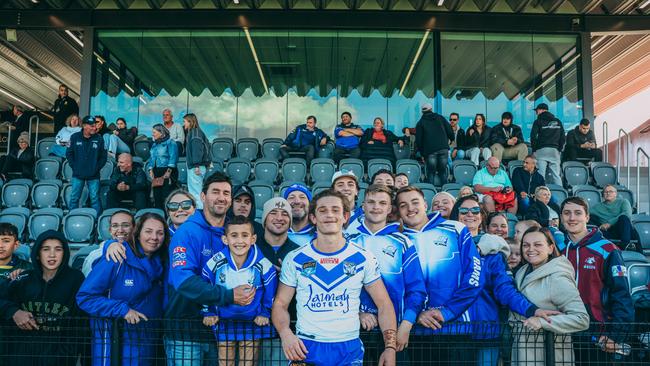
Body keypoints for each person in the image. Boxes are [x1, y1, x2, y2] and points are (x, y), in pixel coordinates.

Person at [271, 190, 397, 366]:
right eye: (322, 210)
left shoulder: (363, 258)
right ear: (313, 218)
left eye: (335, 210)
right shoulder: (295, 259)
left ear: (345, 216)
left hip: (348, 348)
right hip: (306, 348)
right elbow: (280, 304)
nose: (329, 215)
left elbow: (384, 304)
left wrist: (390, 347)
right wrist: (285, 333)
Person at [164, 171, 255, 366]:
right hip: (185, 333)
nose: (221, 197)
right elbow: (184, 281)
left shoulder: (232, 234)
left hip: (220, 333)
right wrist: (229, 296)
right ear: (203, 196)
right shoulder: (187, 232)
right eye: (215, 192)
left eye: (226, 193)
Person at [396, 186, 483, 365]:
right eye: (403, 205)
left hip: (456, 328)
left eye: (415, 202)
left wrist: (449, 311)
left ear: (425, 204)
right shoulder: (397, 240)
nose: (410, 208)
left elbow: (474, 275)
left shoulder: (456, 229)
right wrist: (415, 314)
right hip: (417, 332)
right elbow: (394, 285)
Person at [347, 184, 426, 363]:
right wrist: (357, 313)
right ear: (363, 206)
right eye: (371, 202)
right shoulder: (347, 241)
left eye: (382, 203)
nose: (376, 207)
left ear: (390, 209)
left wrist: (406, 325)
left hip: (394, 333)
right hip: (353, 332)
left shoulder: (403, 242)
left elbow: (417, 289)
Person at [76, 213, 167, 366]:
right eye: (148, 231)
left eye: (160, 233)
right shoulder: (117, 256)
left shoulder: (162, 261)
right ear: (137, 234)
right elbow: (85, 297)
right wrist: (123, 310)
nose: (154, 237)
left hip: (146, 341)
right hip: (114, 341)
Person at [556, 197, 634, 365]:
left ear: (587, 217)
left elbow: (621, 294)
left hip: (598, 336)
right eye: (567, 213)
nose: (572, 218)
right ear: (561, 217)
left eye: (578, 213)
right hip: (564, 334)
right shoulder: (559, 252)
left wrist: (616, 335)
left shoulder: (608, 250)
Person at [470, 233, 559, 366]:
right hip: (451, 331)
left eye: (475, 211)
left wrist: (531, 310)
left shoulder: (493, 254)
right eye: (463, 212)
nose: (469, 215)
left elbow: (505, 290)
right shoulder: (444, 250)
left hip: (486, 330)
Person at [201, 215, 278, 366]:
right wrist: (208, 311)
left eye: (245, 235)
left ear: (253, 239)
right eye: (234, 235)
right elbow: (205, 285)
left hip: (252, 324)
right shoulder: (216, 262)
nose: (240, 241)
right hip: (224, 322)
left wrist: (264, 313)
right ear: (225, 239)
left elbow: (272, 290)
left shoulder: (263, 264)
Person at [0, 230, 85, 366]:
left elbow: (81, 322)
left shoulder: (76, 279)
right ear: (38, 254)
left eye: (58, 249)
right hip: (21, 357)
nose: (52, 255)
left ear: (64, 253)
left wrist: (66, 355)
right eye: (46, 249)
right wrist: (14, 312)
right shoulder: (23, 278)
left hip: (59, 359)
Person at [511, 227, 590, 366]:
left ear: (550, 248)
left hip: (550, 356)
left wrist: (542, 322)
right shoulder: (521, 272)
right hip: (523, 351)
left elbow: (581, 319)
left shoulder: (557, 277)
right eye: (526, 245)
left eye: (537, 244)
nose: (530, 249)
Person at [255, 197, 299, 366]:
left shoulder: (298, 252)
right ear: (264, 219)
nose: (279, 218)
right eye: (273, 213)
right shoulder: (250, 249)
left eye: (284, 214)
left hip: (287, 333)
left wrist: (287, 279)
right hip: (254, 331)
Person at [67, 115, 107, 215]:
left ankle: (96, 221)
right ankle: (72, 218)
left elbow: (103, 157)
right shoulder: (74, 137)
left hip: (93, 175)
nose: (95, 128)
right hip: (78, 174)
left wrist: (96, 168)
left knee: (95, 198)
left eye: (95, 125)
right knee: (74, 198)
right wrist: (75, 167)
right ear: (84, 126)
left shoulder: (99, 139)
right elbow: (69, 153)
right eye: (92, 126)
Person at [82, 209, 135, 277]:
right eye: (115, 226)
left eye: (126, 225)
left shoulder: (142, 252)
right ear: (110, 230)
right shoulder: (95, 256)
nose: (120, 230)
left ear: (134, 229)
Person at [415, 103, 454, 185]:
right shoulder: (440, 118)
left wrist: (422, 153)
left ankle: (431, 194)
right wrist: (452, 138)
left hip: (430, 151)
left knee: (431, 173)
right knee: (443, 172)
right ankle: (445, 192)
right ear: (431, 109)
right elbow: (449, 129)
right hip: (443, 149)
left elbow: (418, 140)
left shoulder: (420, 123)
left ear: (422, 112)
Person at [589, 185, 635, 249]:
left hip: (623, 230)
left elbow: (627, 214)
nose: (608, 193)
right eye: (605, 192)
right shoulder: (597, 206)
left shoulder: (623, 202)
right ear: (603, 195)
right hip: (607, 232)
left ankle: (625, 246)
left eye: (611, 191)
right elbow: (586, 213)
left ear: (615, 194)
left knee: (623, 218)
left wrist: (609, 223)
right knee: (590, 218)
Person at [530, 103, 565, 186]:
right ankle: (560, 195)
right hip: (554, 151)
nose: (536, 113)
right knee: (556, 176)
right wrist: (559, 149)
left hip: (542, 150)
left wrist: (534, 150)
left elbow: (533, 137)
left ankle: (539, 196)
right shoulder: (557, 121)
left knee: (541, 175)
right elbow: (563, 137)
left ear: (542, 110)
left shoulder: (538, 121)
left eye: (537, 111)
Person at [147, 124, 179, 210]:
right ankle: (158, 216)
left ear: (161, 133)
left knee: (166, 196)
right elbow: (151, 158)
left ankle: (167, 218)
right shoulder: (154, 145)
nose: (152, 134)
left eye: (154, 132)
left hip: (167, 171)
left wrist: (168, 172)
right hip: (156, 171)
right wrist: (150, 170)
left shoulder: (171, 142)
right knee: (157, 197)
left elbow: (173, 158)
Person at [183, 113, 212, 209]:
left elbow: (197, 150)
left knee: (195, 193)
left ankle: (199, 214)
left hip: (196, 167)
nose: (184, 124)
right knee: (196, 192)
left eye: (185, 122)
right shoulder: (197, 132)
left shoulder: (195, 133)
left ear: (190, 122)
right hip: (198, 166)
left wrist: (196, 165)